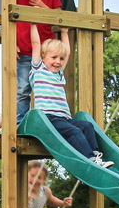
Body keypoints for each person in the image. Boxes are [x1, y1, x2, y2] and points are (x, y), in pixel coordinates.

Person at [29, 37, 112, 167]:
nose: (58, 62)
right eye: (54, 57)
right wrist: (33, 24)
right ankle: (90, 158)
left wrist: (65, 32)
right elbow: (35, 44)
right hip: (49, 119)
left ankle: (95, 153)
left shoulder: (59, 74)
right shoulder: (38, 71)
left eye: (61, 59)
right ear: (43, 56)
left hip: (64, 118)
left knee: (87, 126)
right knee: (75, 132)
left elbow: (67, 52)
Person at [14, 0, 69, 125]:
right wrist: (11, 44)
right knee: (23, 90)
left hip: (46, 54)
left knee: (49, 88)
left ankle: (54, 117)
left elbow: (59, 16)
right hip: (23, 50)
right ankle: (20, 124)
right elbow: (9, 18)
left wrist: (42, 5)